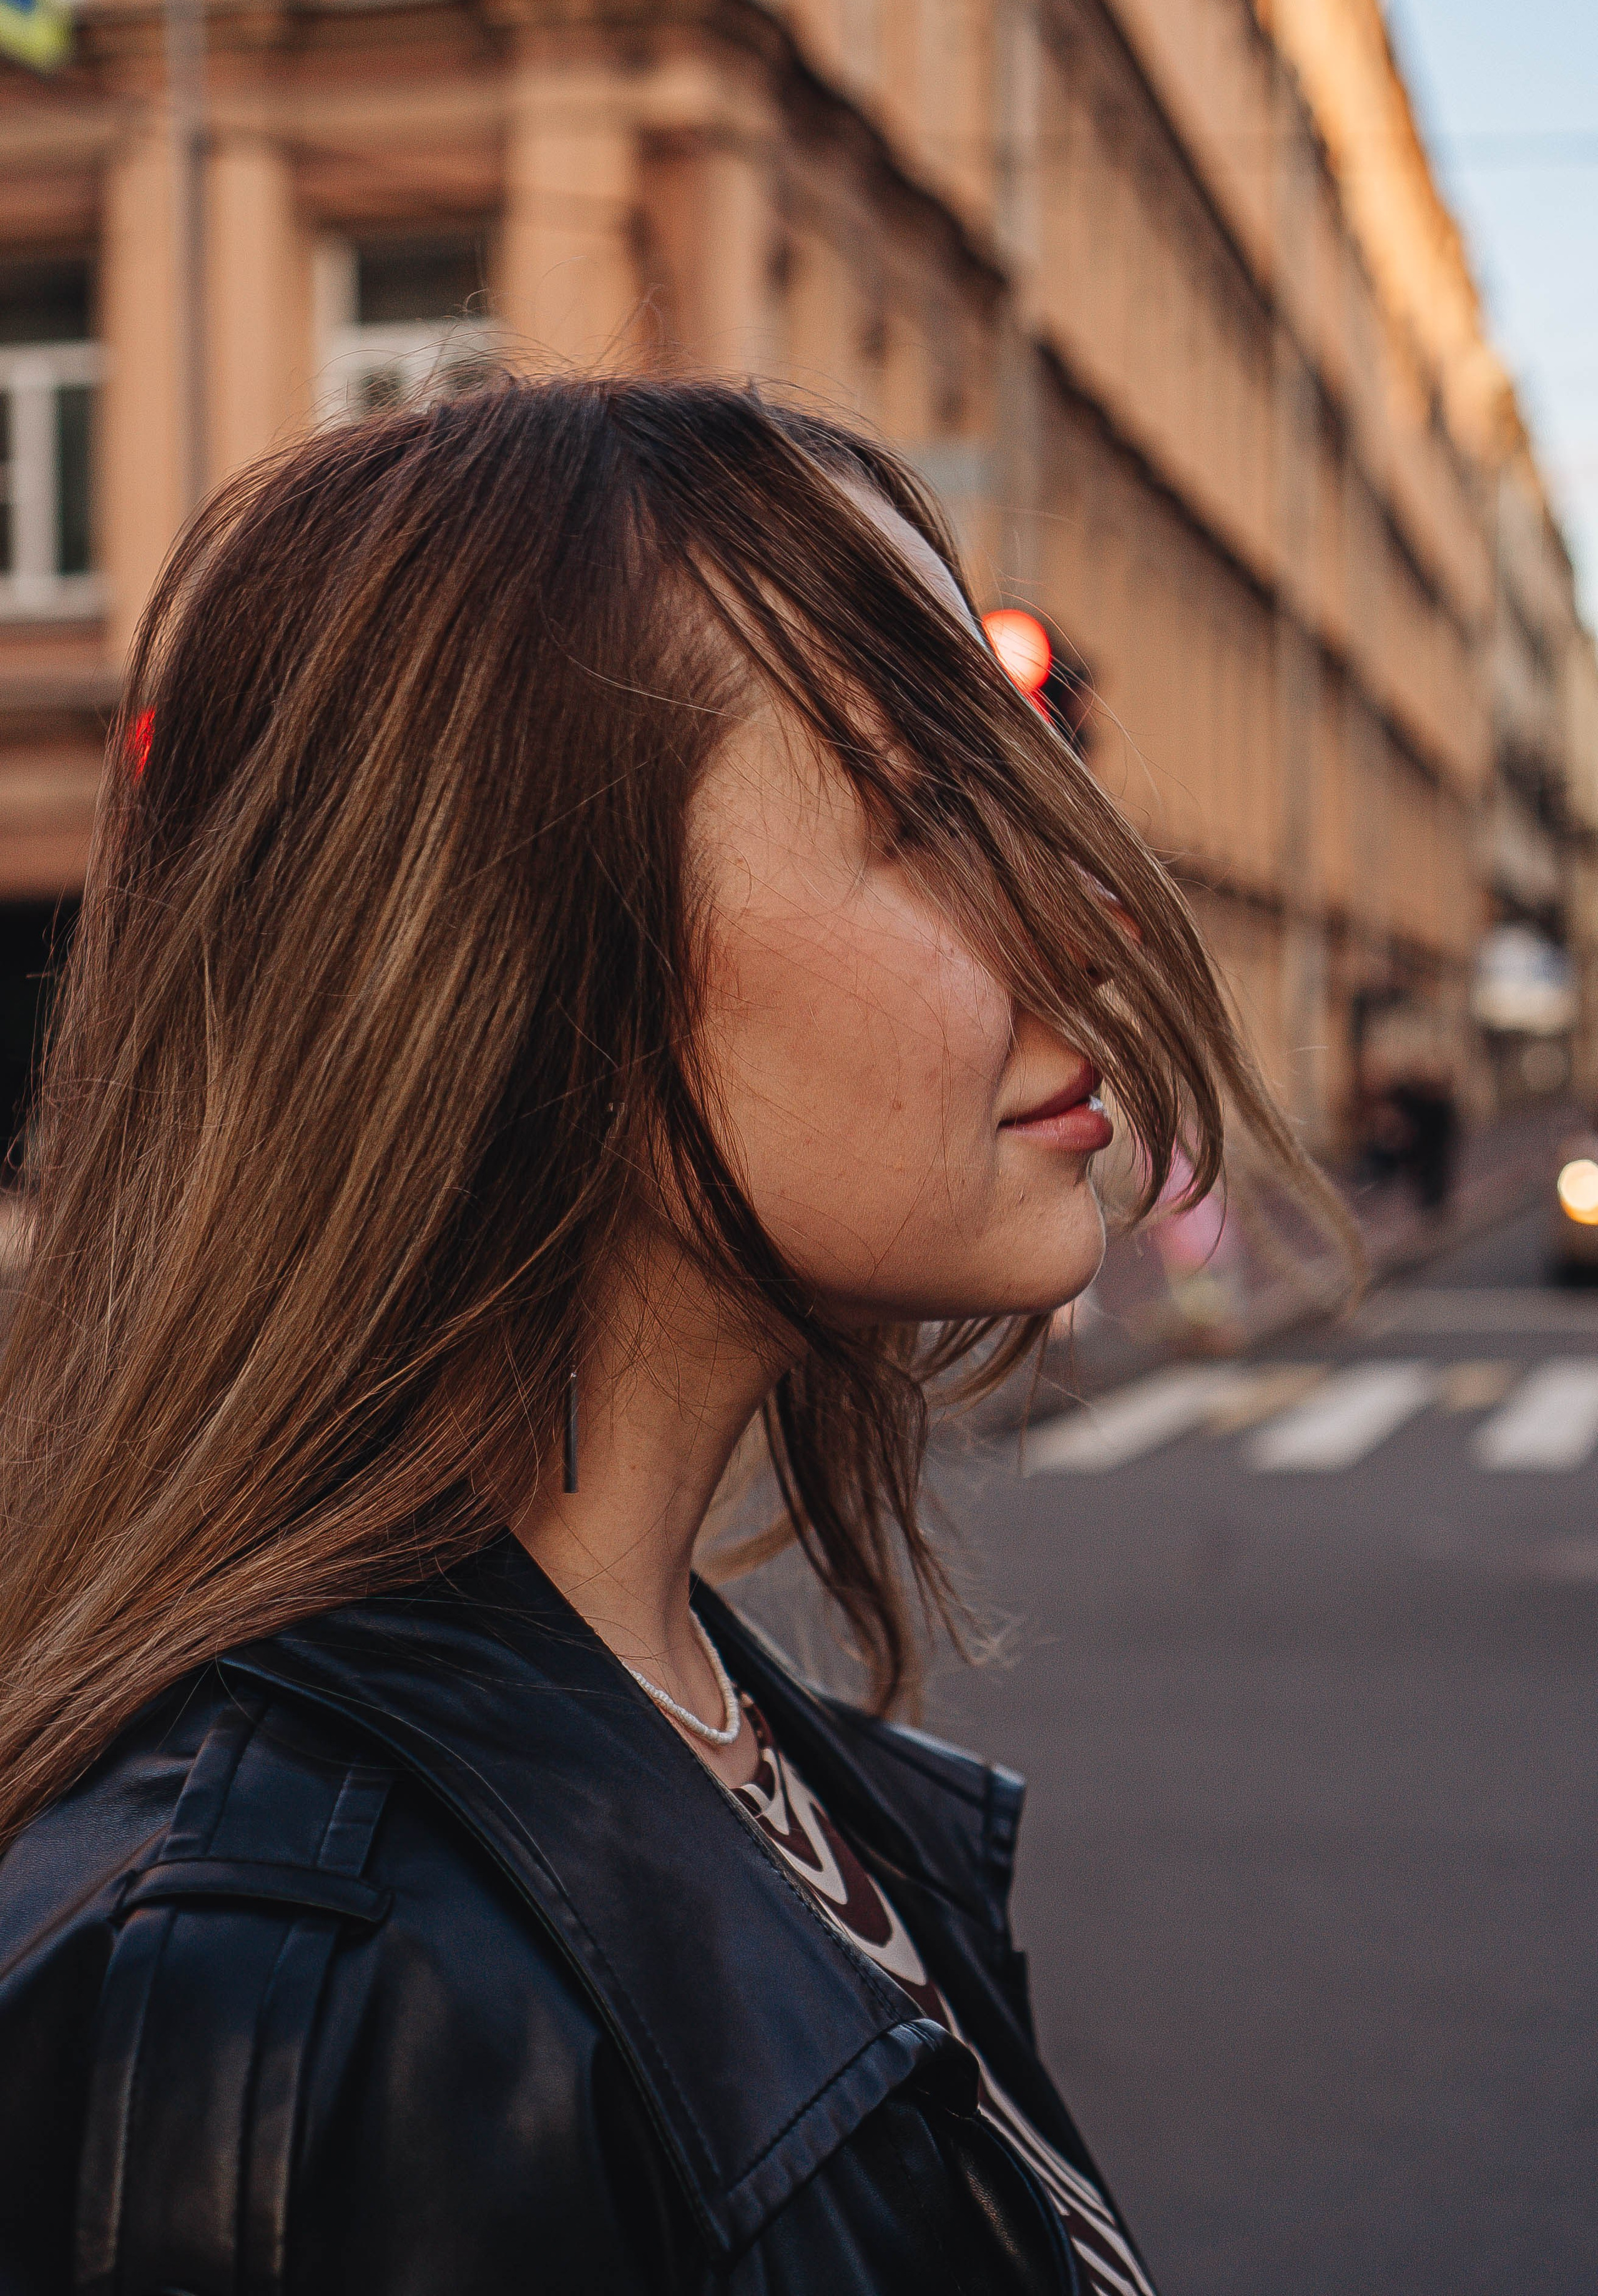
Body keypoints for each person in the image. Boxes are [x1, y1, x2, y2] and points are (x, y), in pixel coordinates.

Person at [0, 378, 1342, 2294]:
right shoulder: (287, 1999)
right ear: (530, 959)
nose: (1094, 914)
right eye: (925, 813)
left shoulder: (691, 1738)